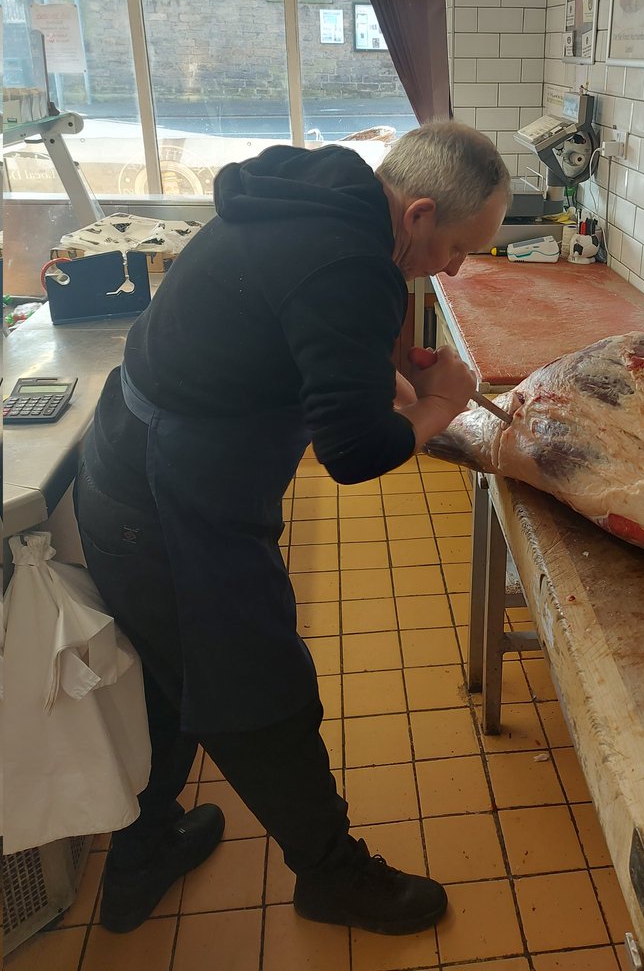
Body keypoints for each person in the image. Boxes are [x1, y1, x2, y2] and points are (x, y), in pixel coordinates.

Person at [75, 121, 510, 936]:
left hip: (125, 469)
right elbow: (353, 452)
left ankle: (144, 852)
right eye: (457, 246)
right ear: (416, 213)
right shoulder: (350, 264)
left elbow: (305, 311)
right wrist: (446, 403)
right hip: (170, 504)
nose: (456, 268)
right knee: (259, 689)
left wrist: (376, 368)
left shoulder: (329, 192)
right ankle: (332, 876)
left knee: (167, 678)